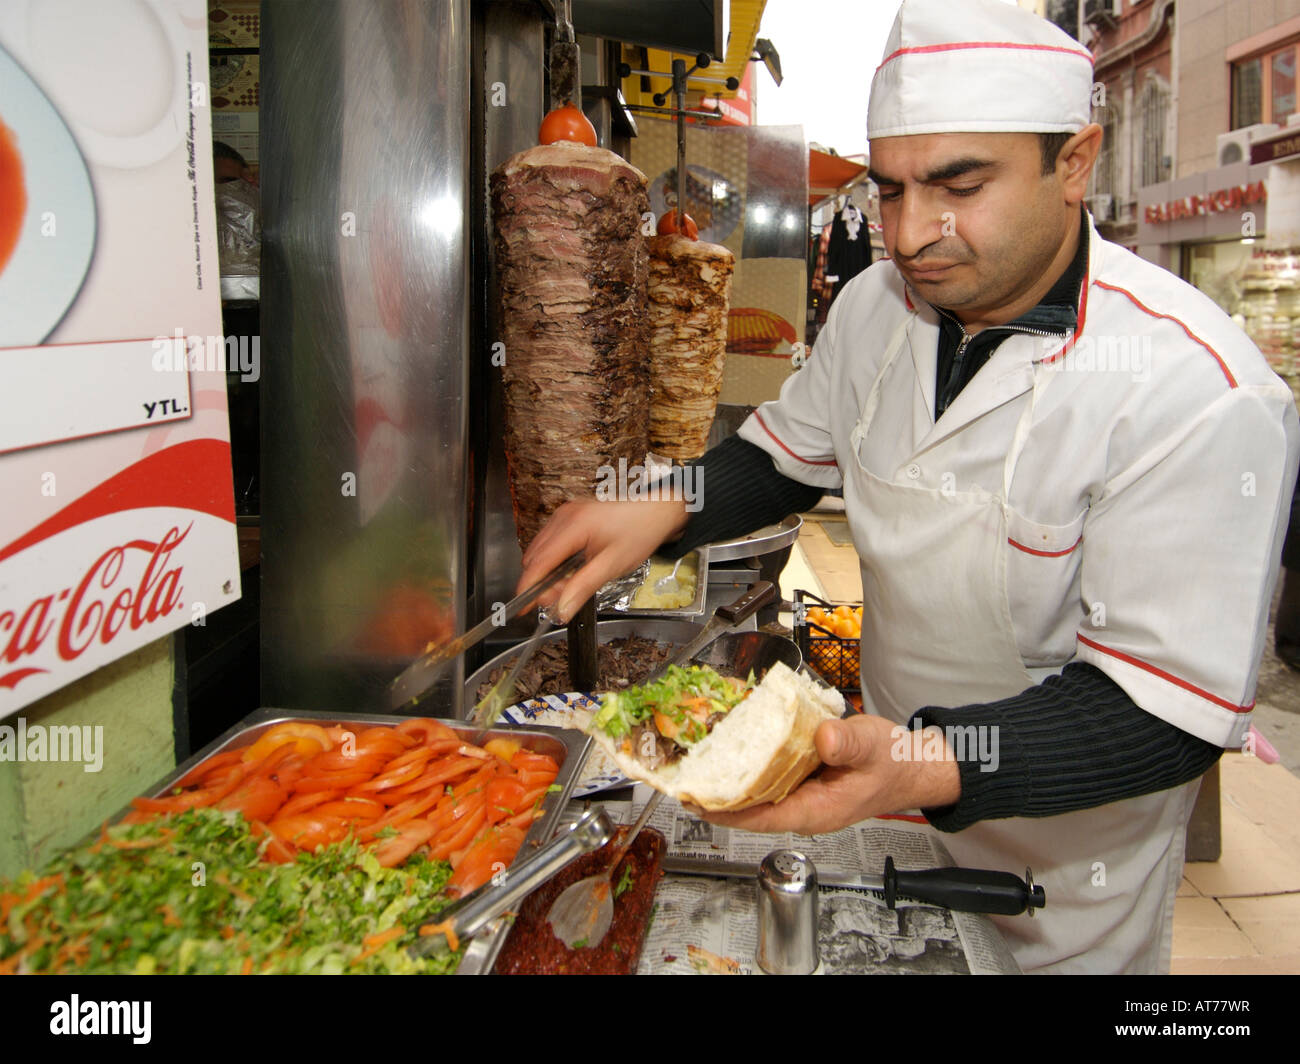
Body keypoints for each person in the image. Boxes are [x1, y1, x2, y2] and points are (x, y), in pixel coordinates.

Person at [517, 0, 1299, 973]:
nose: (910, 234)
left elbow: (1155, 712)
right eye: (887, 191)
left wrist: (919, 760)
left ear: (1074, 161)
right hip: (879, 821)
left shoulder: (1195, 389)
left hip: (1060, 885)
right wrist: (660, 494)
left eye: (958, 186)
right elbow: (780, 458)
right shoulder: (874, 309)